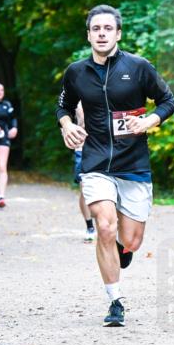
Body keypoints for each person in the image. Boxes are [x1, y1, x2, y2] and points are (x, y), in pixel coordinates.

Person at [56, 4, 174, 327]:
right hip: (96, 162)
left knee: (131, 239)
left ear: (118, 33)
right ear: (88, 35)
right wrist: (67, 125)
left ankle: (124, 250)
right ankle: (115, 301)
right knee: (105, 227)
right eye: (96, 29)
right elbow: (63, 106)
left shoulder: (138, 68)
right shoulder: (76, 72)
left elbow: (169, 101)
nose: (102, 34)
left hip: (134, 164)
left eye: (108, 29)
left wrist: (150, 120)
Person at [72, 102, 97, 241]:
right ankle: (89, 226)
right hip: (82, 148)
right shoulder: (75, 95)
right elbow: (79, 122)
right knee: (84, 188)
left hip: (102, 148)